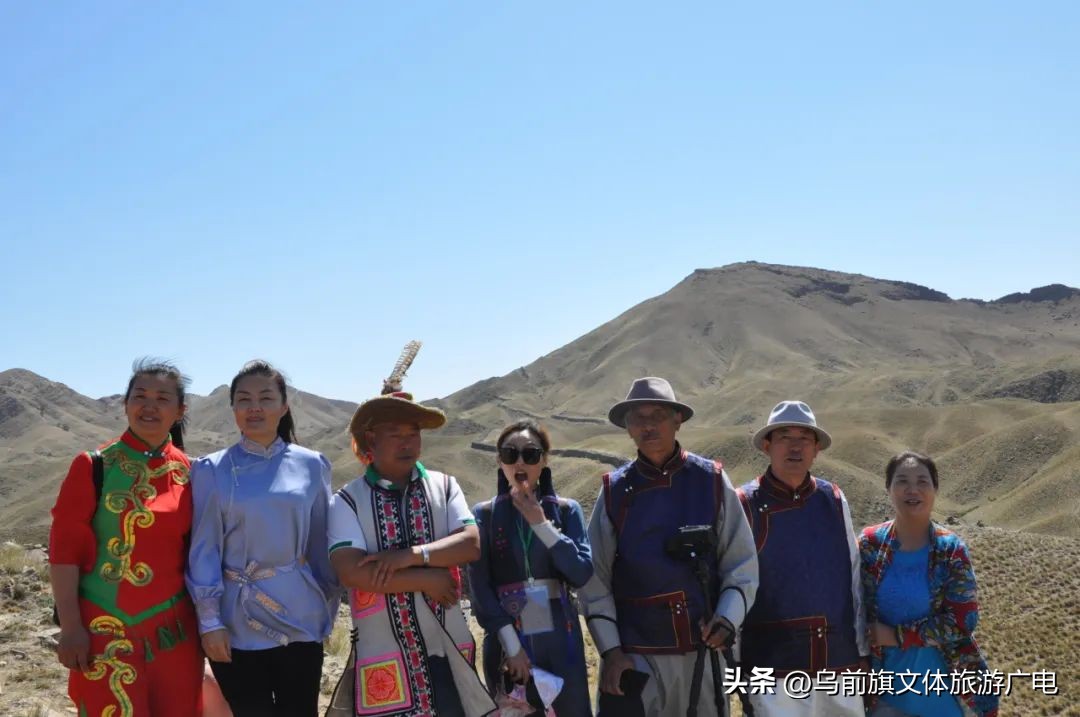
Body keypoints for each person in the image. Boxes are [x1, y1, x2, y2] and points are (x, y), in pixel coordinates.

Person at [580, 377, 759, 716]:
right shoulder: (614, 492)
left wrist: (726, 619)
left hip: (703, 652)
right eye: (638, 418)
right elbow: (595, 579)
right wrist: (611, 652)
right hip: (636, 656)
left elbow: (741, 563)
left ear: (678, 420)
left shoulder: (711, 480)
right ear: (628, 428)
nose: (648, 426)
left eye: (658, 415)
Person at [326, 385, 496, 717]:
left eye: (413, 434)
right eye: (395, 434)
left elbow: (470, 543)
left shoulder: (445, 486)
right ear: (371, 439)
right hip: (384, 654)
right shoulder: (347, 500)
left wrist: (410, 556)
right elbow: (352, 571)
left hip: (446, 646)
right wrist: (427, 579)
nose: (407, 443)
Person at [48, 359, 203, 716]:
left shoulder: (191, 472)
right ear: (126, 404)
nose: (149, 406)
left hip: (174, 633)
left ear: (180, 410)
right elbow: (64, 552)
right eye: (140, 396)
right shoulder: (94, 465)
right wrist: (71, 627)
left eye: (162, 398)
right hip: (102, 630)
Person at [186, 360, 339, 717]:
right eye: (244, 399)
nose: (254, 407)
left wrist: (325, 609)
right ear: (233, 408)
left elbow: (321, 544)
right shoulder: (210, 469)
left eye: (266, 398)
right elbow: (204, 549)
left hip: (299, 613)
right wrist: (209, 622)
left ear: (283, 407)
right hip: (234, 619)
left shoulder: (313, 464)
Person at [735, 400, 869, 716]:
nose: (795, 447)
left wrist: (862, 650)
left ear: (816, 449)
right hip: (773, 669)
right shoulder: (744, 504)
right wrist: (735, 662)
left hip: (839, 665)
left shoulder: (834, 500)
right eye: (784, 437)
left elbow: (853, 577)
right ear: (767, 446)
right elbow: (734, 585)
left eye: (805, 438)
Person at [859, 451, 999, 717]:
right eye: (902, 480)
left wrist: (897, 636)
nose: (913, 489)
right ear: (888, 488)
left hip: (946, 699)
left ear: (935, 489)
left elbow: (963, 621)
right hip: (883, 698)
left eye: (922, 481)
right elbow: (850, 606)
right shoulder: (869, 545)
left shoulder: (951, 549)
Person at [469, 420, 594, 716]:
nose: (520, 462)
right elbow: (480, 588)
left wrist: (541, 525)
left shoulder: (566, 511)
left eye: (530, 454)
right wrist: (512, 648)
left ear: (544, 460)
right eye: (510, 454)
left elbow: (581, 572)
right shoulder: (484, 515)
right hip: (506, 639)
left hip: (560, 636)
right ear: (500, 461)